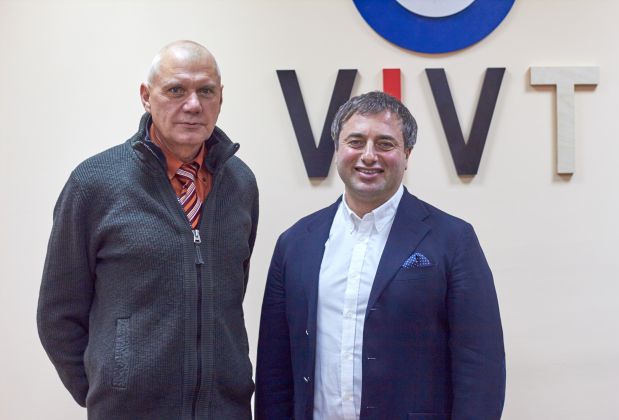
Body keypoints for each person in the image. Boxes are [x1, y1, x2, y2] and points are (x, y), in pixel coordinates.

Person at [37, 40, 258, 419]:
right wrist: (109, 389)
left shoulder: (241, 183)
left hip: (225, 410)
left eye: (206, 91)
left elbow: (232, 290)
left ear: (220, 98)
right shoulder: (94, 183)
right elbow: (58, 314)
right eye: (176, 90)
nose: (193, 105)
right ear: (146, 96)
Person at [255, 91, 505, 419]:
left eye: (385, 144)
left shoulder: (453, 240)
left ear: (407, 154)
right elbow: (274, 369)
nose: (369, 156)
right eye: (356, 142)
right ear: (337, 149)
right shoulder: (296, 243)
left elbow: (480, 366)